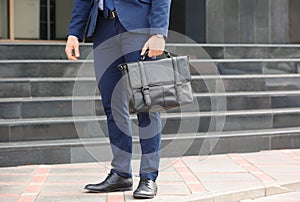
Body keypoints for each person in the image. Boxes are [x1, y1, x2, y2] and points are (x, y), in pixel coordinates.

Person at [65, 0, 171, 199]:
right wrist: (74, 32)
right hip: (103, 29)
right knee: (112, 105)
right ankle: (121, 173)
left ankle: (148, 176)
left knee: (146, 103)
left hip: (139, 28)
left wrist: (158, 32)